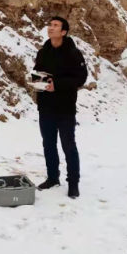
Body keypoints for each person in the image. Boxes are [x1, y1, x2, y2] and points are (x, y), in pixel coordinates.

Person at [33, 16, 87, 198]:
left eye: (55, 25)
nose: (50, 27)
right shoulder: (43, 52)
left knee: (68, 145)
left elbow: (80, 78)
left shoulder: (74, 53)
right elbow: (37, 72)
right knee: (48, 144)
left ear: (63, 32)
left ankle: (73, 183)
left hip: (65, 107)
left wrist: (57, 85)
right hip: (46, 106)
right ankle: (52, 178)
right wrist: (38, 82)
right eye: (50, 24)